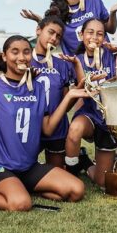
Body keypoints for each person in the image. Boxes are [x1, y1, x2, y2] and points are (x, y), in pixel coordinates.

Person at [0, 35, 87, 211]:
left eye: (26, 52)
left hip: (28, 167)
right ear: (4, 56)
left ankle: (20, 187)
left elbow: (47, 129)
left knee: (76, 190)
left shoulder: (38, 88)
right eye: (14, 52)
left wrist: (69, 96)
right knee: (21, 204)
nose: (21, 57)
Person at [64, 18, 117, 187]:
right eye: (90, 32)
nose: (94, 37)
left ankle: (85, 162)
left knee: (102, 182)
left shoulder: (112, 54)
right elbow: (82, 89)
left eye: (100, 34)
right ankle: (72, 175)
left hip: (110, 117)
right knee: (75, 129)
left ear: (105, 38)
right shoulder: (76, 60)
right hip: (90, 114)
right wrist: (85, 76)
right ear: (81, 35)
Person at [30, 15, 83, 167]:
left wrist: (78, 89)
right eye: (51, 32)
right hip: (32, 126)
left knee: (57, 174)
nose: (54, 38)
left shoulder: (62, 64)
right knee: (22, 170)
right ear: (39, 30)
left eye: (58, 36)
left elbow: (65, 104)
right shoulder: (25, 59)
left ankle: (81, 160)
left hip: (57, 127)